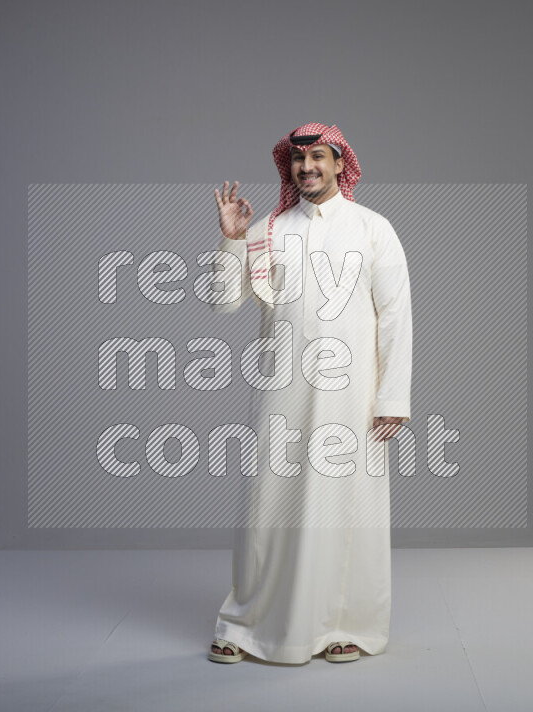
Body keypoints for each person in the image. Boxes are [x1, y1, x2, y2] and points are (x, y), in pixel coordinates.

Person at [205, 122, 412, 664]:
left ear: (340, 163)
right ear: (288, 167)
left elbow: (395, 317)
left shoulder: (373, 229)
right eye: (298, 160)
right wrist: (230, 238)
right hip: (280, 390)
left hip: (353, 394)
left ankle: (346, 624)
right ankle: (248, 622)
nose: (307, 168)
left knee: (347, 508)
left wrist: (393, 399)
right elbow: (223, 302)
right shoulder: (267, 230)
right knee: (268, 506)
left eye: (318, 157)